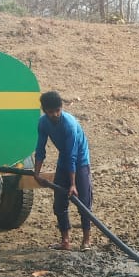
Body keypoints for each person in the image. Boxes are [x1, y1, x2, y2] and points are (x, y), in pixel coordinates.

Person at [33, 91, 93, 251]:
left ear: (61, 108)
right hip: (63, 161)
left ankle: (86, 241)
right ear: (44, 111)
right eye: (51, 112)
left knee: (83, 203)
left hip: (80, 161)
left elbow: (72, 155)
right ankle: (65, 241)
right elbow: (40, 149)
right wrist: (36, 173)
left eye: (57, 111)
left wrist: (73, 184)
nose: (55, 115)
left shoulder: (69, 125)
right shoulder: (43, 123)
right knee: (59, 204)